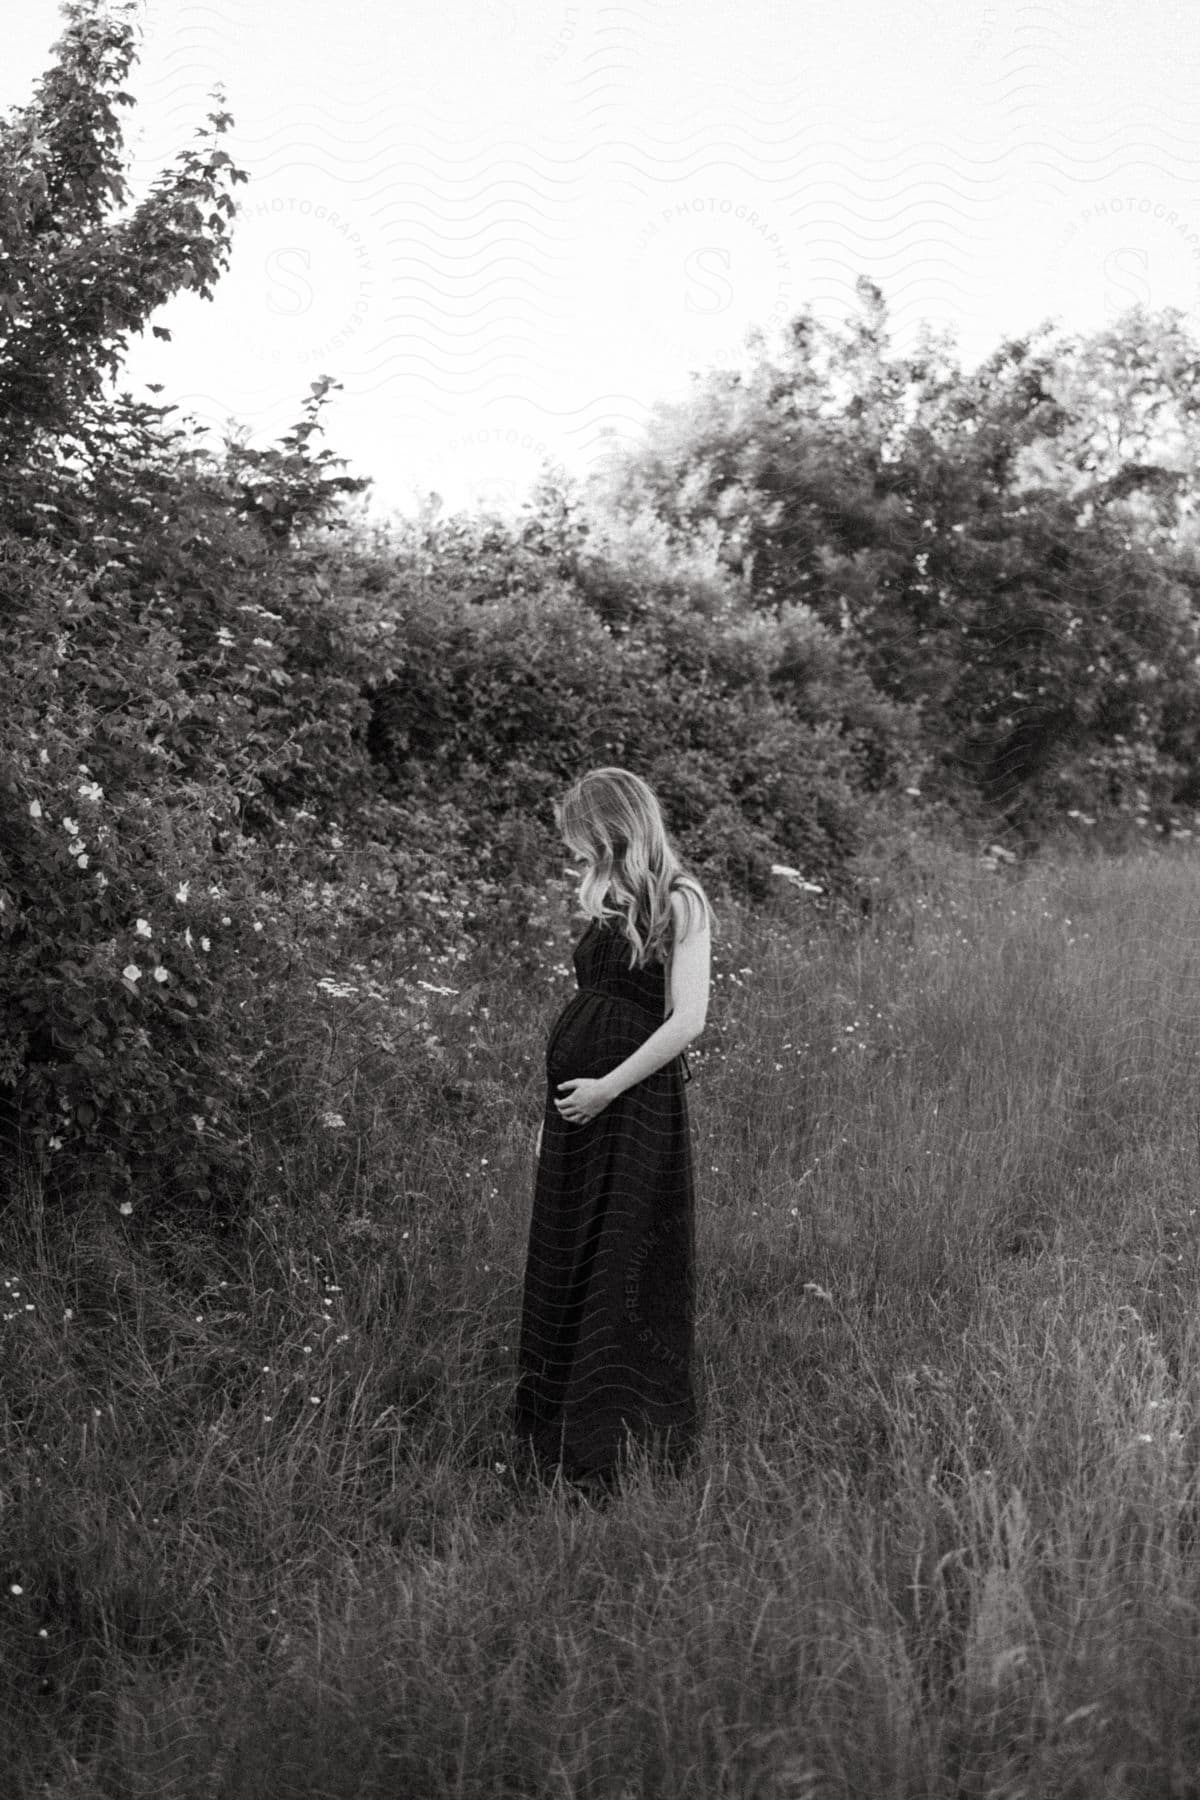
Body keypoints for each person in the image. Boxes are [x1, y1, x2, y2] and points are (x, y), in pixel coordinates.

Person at [513, 767, 713, 1500]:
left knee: (622, 1262)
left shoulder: (682, 899)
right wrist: (557, 1112)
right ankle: (555, 1430)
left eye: (584, 839)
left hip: (631, 1105)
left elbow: (686, 1021)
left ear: (614, 826)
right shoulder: (602, 895)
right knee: (570, 1252)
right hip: (578, 1111)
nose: (577, 854)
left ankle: (614, 1442)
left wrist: (605, 1087)